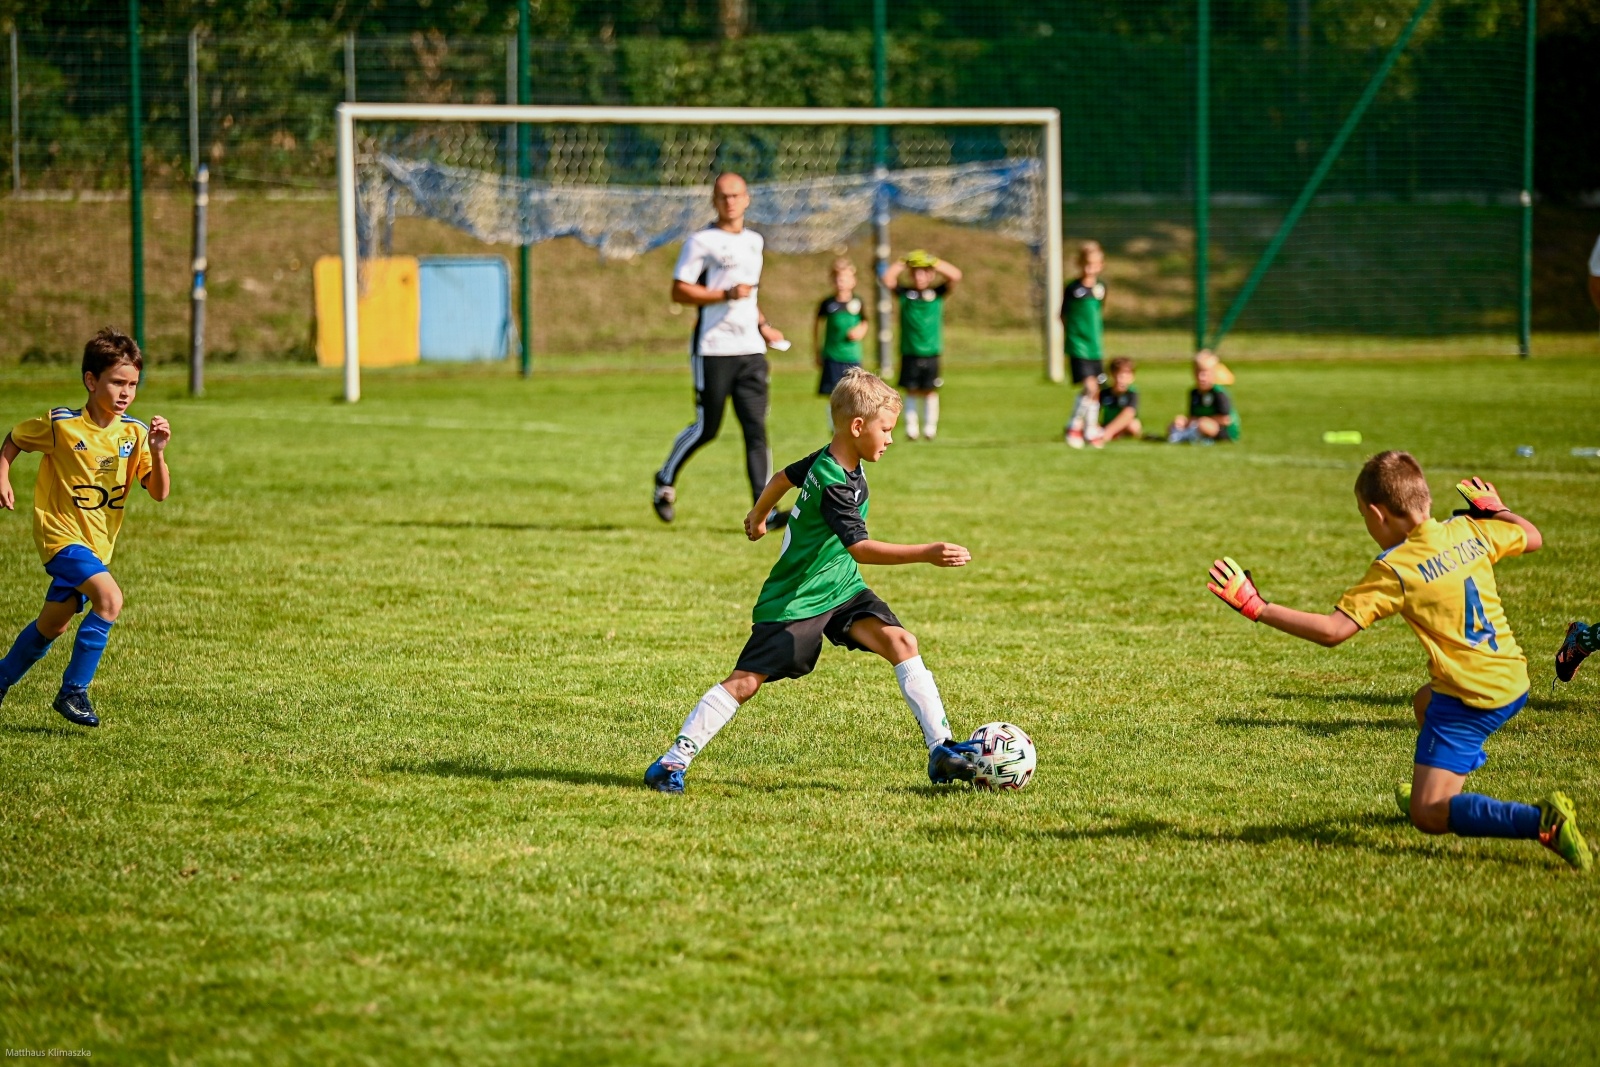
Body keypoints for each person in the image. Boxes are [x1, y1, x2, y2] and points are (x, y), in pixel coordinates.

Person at [1207, 452, 1590, 872]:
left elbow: (1334, 631)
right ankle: (1439, 778)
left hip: (1473, 696)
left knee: (1427, 816)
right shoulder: (1468, 530)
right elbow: (1532, 537)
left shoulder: (1396, 568)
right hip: (1513, 678)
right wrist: (1498, 509)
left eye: (1363, 516)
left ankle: (1539, 822)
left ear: (1376, 514)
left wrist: (1258, 607)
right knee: (1424, 702)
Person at [643, 369, 982, 794]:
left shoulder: (832, 458)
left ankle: (941, 750)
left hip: (840, 588)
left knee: (902, 642)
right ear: (858, 427)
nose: (891, 439)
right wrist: (927, 553)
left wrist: (758, 513)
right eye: (886, 429)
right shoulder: (834, 482)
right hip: (797, 600)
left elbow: (784, 476)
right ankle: (671, 762)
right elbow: (860, 548)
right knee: (745, 683)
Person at [0, 328, 172, 728]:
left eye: (132, 384)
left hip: (96, 547)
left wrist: (159, 453)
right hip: (61, 537)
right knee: (109, 600)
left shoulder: (135, 434)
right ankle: (74, 691)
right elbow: (15, 439)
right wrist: (3, 472)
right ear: (91, 380)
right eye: (117, 382)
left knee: (51, 626)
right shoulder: (63, 425)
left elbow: (159, 492)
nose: (126, 392)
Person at [654, 172, 787, 525]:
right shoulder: (701, 242)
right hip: (713, 348)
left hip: (751, 350)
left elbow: (750, 294)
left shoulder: (755, 242)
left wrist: (763, 325)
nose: (730, 201)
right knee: (707, 428)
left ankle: (765, 511)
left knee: (756, 429)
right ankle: (665, 480)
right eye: (723, 196)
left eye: (736, 195)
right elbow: (679, 291)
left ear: (747, 199)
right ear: (714, 201)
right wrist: (723, 294)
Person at [881, 250, 961, 441]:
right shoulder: (906, 294)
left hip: (931, 350)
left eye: (924, 272)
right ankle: (911, 429)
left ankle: (930, 429)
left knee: (930, 391)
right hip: (910, 350)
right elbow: (887, 279)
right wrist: (904, 261)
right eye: (916, 272)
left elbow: (955, 275)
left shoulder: (936, 293)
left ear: (931, 274)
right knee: (911, 390)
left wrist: (933, 261)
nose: (920, 276)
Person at [1063, 241, 1108, 448]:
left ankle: (1084, 426)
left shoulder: (1101, 289)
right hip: (1078, 346)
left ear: (1101, 265)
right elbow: (1063, 315)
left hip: (1095, 346)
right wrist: (1074, 337)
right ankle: (1081, 428)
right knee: (1089, 386)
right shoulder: (1073, 289)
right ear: (1079, 264)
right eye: (1086, 263)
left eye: (1094, 264)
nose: (1090, 268)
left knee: (1095, 389)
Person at [814, 257, 870, 416]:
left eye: (845, 278)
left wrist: (860, 330)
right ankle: (834, 427)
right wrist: (817, 351)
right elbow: (817, 325)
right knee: (833, 394)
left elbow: (865, 321)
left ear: (853, 281)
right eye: (838, 278)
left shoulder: (858, 302)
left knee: (853, 393)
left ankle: (850, 425)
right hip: (832, 355)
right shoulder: (828, 303)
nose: (841, 282)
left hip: (851, 356)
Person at [1167, 354, 1238, 443]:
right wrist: (1183, 421)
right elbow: (1192, 416)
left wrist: (1201, 420)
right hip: (1198, 424)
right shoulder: (1194, 393)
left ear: (1213, 374)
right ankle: (1186, 435)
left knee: (1203, 425)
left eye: (1205, 374)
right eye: (1198, 373)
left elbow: (1225, 420)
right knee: (1175, 423)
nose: (1201, 378)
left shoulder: (1218, 393)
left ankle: (1189, 436)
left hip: (1222, 430)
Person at [1097, 357, 1141, 442]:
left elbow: (1129, 413)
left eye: (1126, 376)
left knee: (1133, 426)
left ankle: (1113, 433)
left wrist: (1109, 431)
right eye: (1118, 375)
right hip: (1107, 424)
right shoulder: (1105, 393)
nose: (1120, 379)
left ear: (1132, 377)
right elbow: (1095, 410)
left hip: (1123, 425)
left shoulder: (1131, 393)